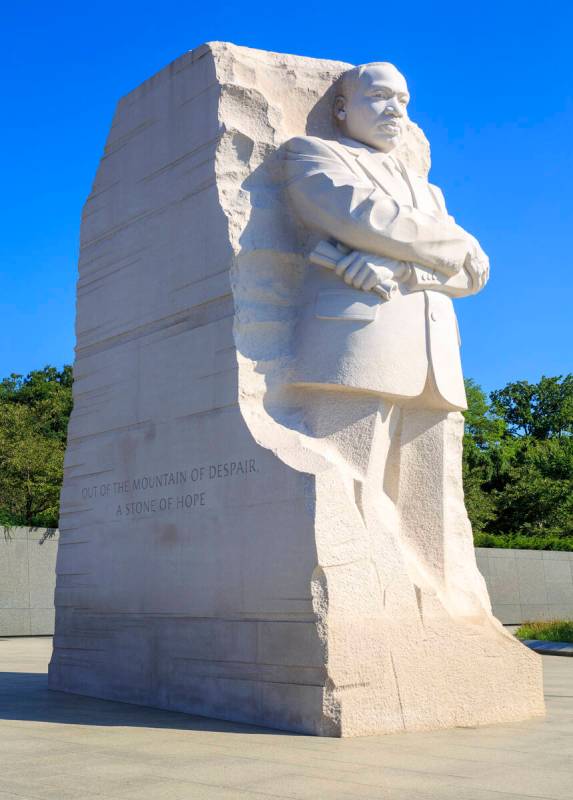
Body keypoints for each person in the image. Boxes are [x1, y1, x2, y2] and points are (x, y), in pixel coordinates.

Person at [282, 62, 491, 617]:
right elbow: (364, 215)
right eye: (378, 97)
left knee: (435, 508)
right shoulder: (313, 155)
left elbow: (476, 270)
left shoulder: (432, 193)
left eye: (402, 99)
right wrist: (445, 246)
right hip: (357, 346)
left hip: (434, 356)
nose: (395, 108)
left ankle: (446, 616)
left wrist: (406, 270)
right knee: (348, 491)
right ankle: (360, 611)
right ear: (342, 108)